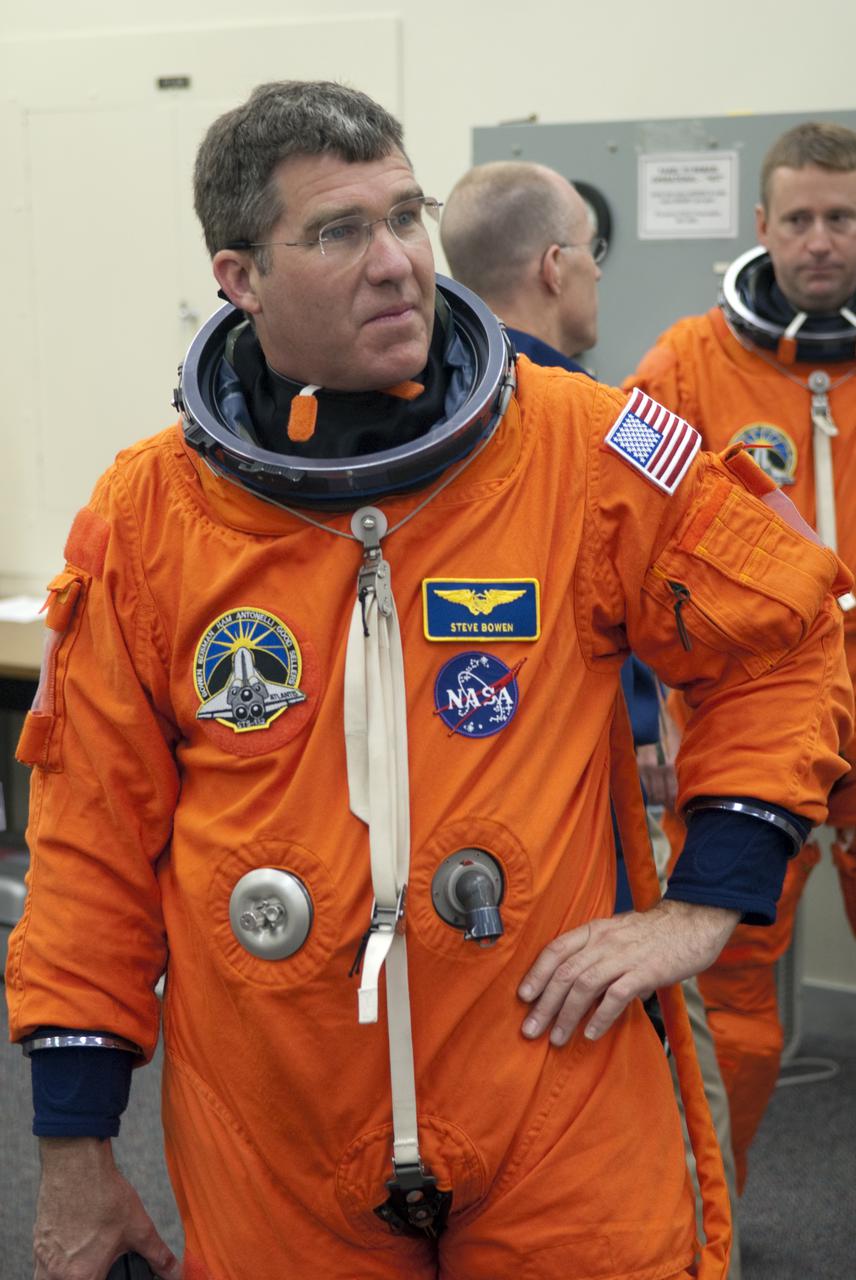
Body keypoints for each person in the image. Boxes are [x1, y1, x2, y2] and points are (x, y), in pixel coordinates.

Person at [5, 83, 853, 1280]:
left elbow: (786, 631)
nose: (397, 260)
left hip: (552, 1080)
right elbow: (89, 835)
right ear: (239, 276)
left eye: (406, 215)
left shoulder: (588, 447)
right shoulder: (148, 518)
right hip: (275, 1119)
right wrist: (74, 1148)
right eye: (339, 231)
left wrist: (703, 900)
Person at [443, 160, 744, 1278]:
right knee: (669, 1090)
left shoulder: (363, 438)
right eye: (594, 259)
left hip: (434, 895)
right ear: (556, 265)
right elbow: (768, 605)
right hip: (595, 854)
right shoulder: (620, 429)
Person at [626, 119, 856, 1196]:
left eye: (843, 217)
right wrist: (645, 722)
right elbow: (619, 537)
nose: (820, 240)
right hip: (744, 721)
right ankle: (707, 1212)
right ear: (761, 225)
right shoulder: (684, 363)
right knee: (727, 988)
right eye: (801, 217)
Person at [440, 160, 602, 373]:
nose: (597, 273)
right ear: (554, 267)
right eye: (589, 248)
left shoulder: (435, 391)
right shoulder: (586, 404)